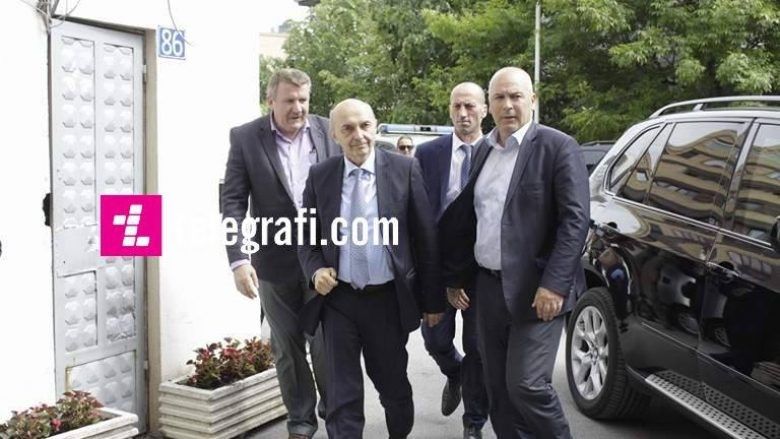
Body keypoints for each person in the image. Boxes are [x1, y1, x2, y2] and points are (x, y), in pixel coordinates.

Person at [439, 67, 590, 439]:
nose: (508, 105)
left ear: (532, 100)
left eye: (516, 96)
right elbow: (471, 220)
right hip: (488, 289)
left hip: (538, 290)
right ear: (489, 105)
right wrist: (456, 277)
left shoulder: (557, 147)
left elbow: (575, 221)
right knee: (499, 392)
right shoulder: (484, 150)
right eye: (500, 97)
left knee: (527, 384)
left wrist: (554, 285)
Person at [298, 99, 445, 439]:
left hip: (387, 301)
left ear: (375, 126)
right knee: (342, 394)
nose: (358, 135)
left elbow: (426, 239)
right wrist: (316, 270)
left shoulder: (404, 169)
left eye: (364, 126)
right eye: (347, 128)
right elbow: (306, 238)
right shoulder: (321, 176)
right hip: (339, 301)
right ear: (334, 134)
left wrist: (433, 301)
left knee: (392, 386)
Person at [222, 68, 340, 439]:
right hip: (274, 263)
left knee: (326, 344)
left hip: (324, 260)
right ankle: (301, 422)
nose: (298, 107)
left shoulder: (328, 130)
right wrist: (239, 259)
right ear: (270, 100)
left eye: (303, 99)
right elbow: (233, 201)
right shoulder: (246, 137)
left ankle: (336, 413)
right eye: (289, 100)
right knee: (287, 348)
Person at [414, 82, 489, 439]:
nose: (463, 113)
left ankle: (474, 421)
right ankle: (453, 371)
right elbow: (418, 215)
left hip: (481, 271)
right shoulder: (427, 154)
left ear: (484, 110)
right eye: (457, 106)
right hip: (438, 268)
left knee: (478, 349)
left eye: (470, 106)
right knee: (434, 339)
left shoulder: (498, 152)